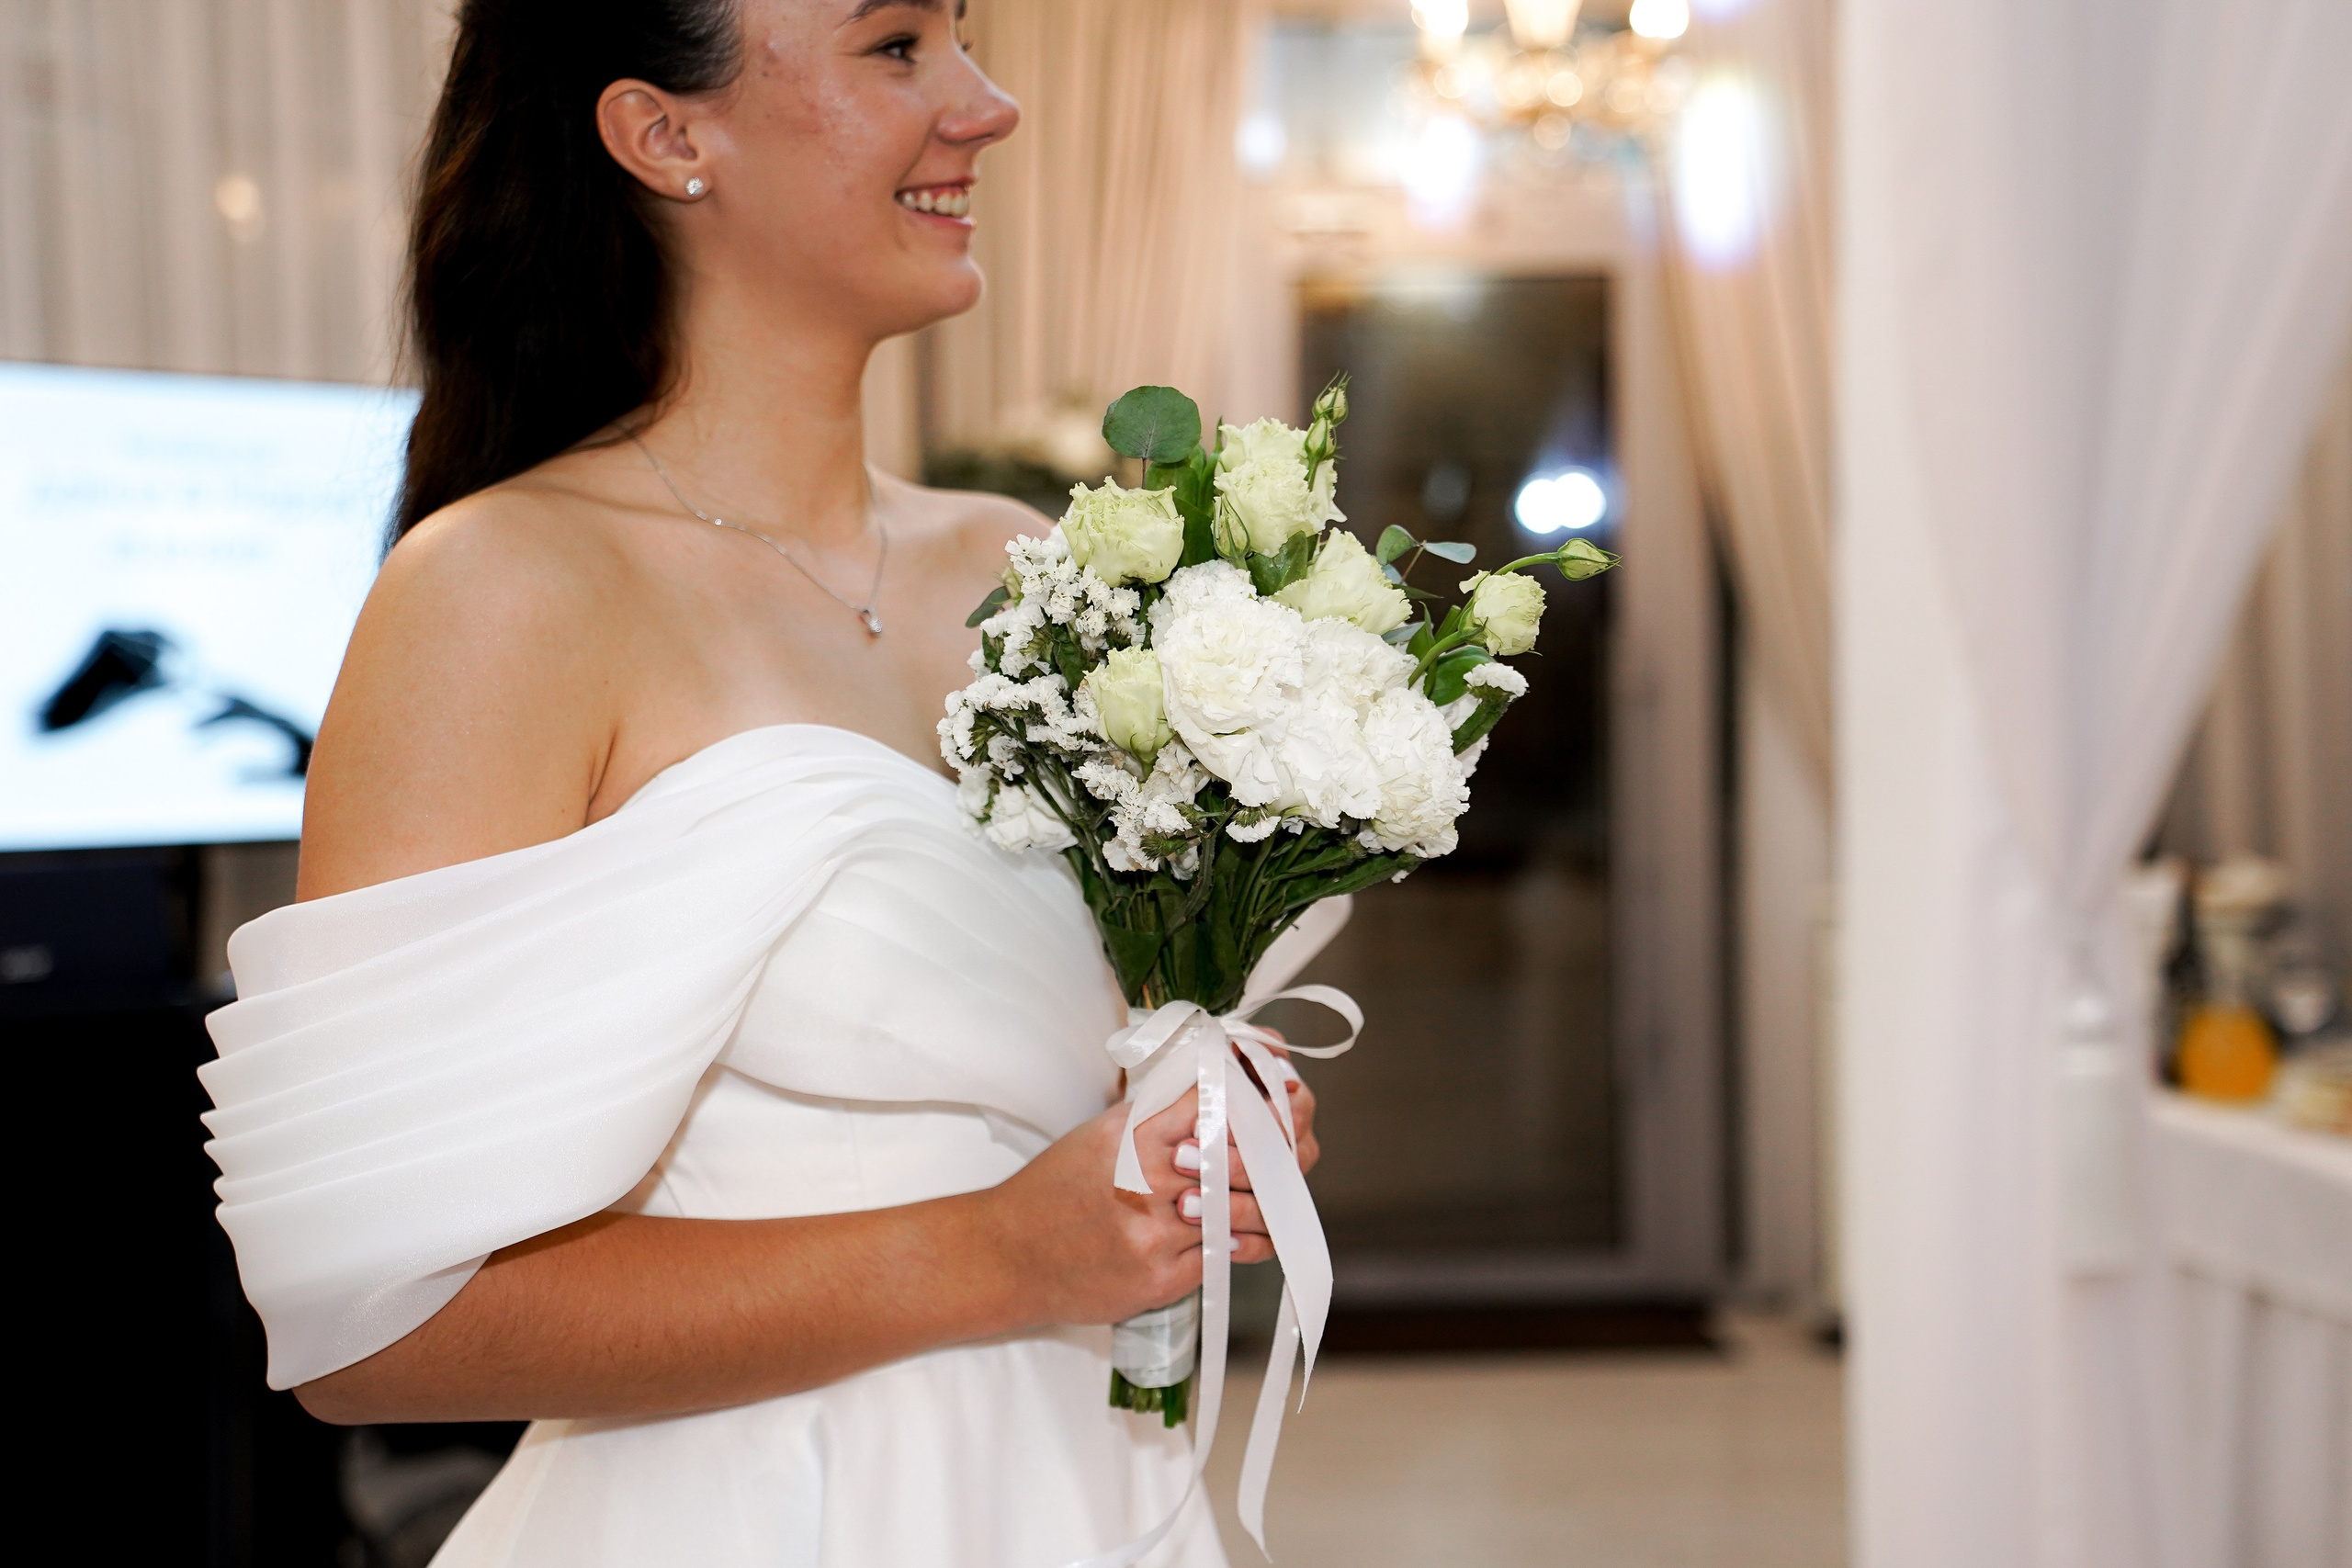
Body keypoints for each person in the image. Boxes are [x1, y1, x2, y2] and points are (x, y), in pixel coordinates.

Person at [197, 3, 1318, 1563]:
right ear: (669, 135)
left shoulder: (1027, 565)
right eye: (897, 48)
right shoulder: (501, 593)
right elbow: (374, 1329)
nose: (987, 107)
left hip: (1083, 1496)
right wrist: (1006, 1253)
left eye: (964, 42)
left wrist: (1176, 1120)